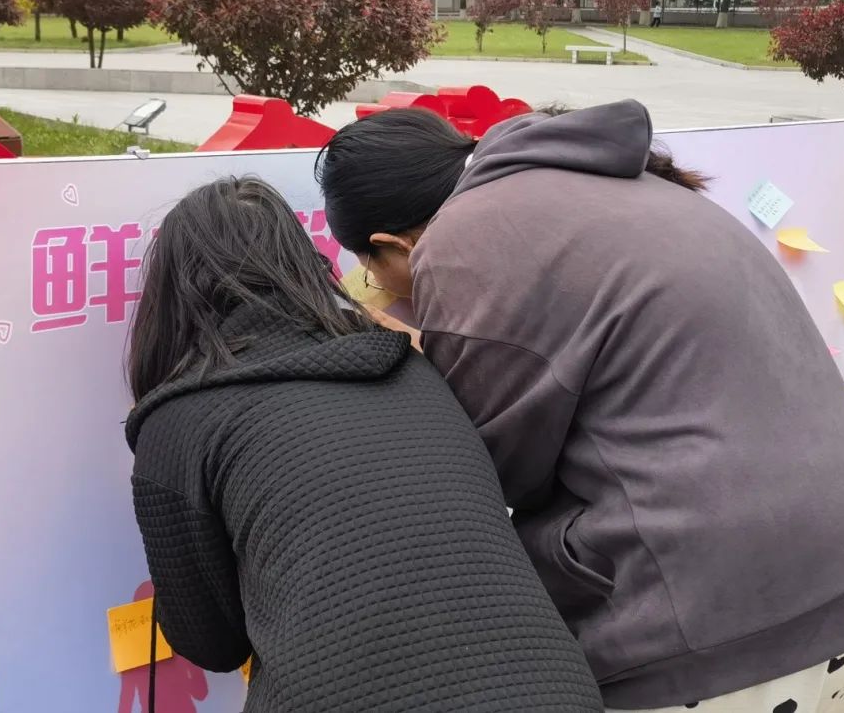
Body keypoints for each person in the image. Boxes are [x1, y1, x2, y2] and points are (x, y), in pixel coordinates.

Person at [316, 101, 844, 713]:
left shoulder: (464, 238)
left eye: (372, 272)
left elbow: (495, 469)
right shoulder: (602, 181)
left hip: (717, 618)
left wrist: (411, 355)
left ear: (391, 244)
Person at [125, 177, 602, 713]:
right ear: (303, 263)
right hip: (557, 690)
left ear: (173, 292)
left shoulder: (179, 422)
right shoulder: (411, 368)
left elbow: (211, 643)